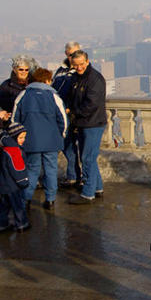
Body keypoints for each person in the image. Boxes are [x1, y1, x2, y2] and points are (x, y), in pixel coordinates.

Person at [12, 68, 67, 211]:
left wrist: (18, 137)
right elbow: (63, 119)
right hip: (51, 140)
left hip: (30, 140)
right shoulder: (53, 96)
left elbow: (14, 119)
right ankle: (50, 200)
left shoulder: (23, 95)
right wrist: (61, 134)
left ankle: (27, 199)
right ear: (48, 80)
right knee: (51, 170)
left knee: (32, 170)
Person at [66, 50, 107, 204]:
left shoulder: (95, 78)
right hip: (84, 123)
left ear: (87, 61)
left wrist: (73, 112)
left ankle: (88, 193)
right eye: (76, 65)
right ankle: (97, 188)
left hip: (93, 123)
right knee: (90, 157)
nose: (79, 67)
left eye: (81, 64)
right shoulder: (76, 77)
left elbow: (91, 104)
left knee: (87, 158)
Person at [53, 42, 82, 188]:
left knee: (73, 146)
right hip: (59, 113)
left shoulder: (81, 71)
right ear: (67, 55)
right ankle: (73, 176)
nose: (74, 57)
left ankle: (75, 176)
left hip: (72, 115)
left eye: (77, 53)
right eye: (71, 54)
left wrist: (71, 108)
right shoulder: (60, 70)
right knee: (66, 146)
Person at [0, 123, 30, 233]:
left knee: (4, 206)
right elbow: (18, 170)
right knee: (18, 206)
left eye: (24, 137)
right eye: (20, 137)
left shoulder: (3, 148)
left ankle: (2, 224)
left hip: (3, 183)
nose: (23, 140)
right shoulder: (14, 151)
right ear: (14, 137)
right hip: (13, 185)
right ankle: (22, 224)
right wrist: (24, 181)